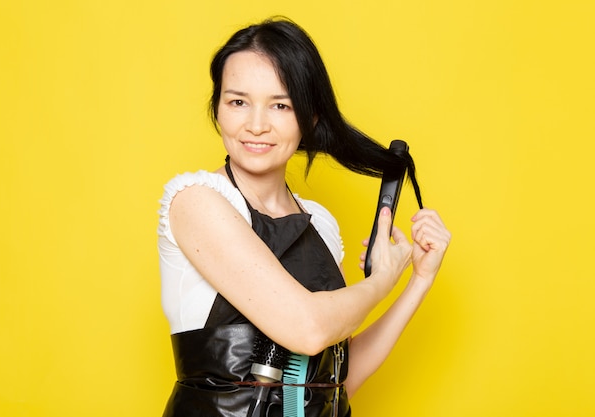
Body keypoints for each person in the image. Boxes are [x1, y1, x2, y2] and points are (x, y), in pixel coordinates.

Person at [157, 17, 451, 417]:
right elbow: (308, 329)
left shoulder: (321, 224)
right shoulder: (196, 201)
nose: (256, 125)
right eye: (238, 101)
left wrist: (418, 280)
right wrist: (383, 279)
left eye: (281, 105)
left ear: (310, 118)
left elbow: (336, 381)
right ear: (217, 108)